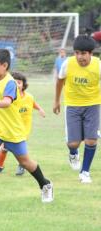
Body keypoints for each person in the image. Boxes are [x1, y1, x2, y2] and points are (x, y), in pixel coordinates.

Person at [0, 49, 53, 205]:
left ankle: (45, 184)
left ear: (4, 65)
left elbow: (7, 102)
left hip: (12, 131)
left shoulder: (10, 82)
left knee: (25, 162)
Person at [53, 35, 100, 183]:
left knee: (91, 140)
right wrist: (56, 101)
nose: (80, 57)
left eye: (84, 53)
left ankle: (84, 172)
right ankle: (73, 153)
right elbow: (60, 81)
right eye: (77, 53)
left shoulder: (98, 65)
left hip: (93, 105)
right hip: (72, 105)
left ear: (91, 53)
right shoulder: (68, 63)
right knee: (73, 143)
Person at [0, 72, 46, 175]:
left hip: (24, 129)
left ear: (24, 84)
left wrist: (40, 109)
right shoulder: (9, 98)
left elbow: (33, 103)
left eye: (19, 82)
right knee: (4, 148)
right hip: (11, 127)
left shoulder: (29, 97)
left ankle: (21, 166)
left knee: (20, 150)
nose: (16, 85)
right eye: (14, 82)